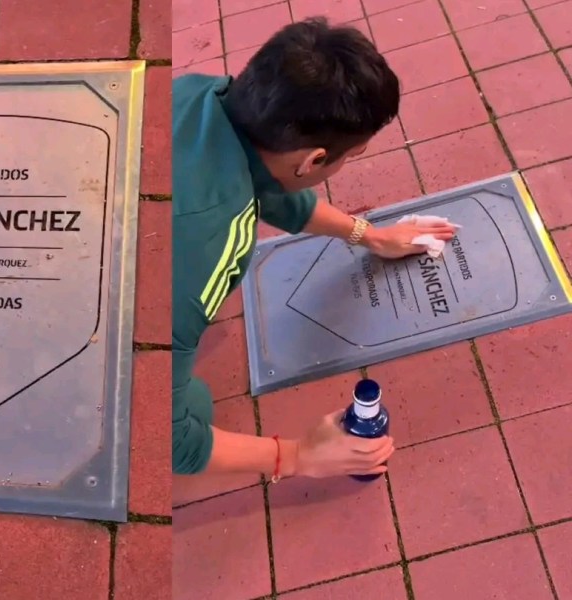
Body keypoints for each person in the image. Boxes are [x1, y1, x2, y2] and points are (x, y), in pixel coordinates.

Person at [172, 18, 457, 480]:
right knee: (191, 410)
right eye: (353, 155)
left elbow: (270, 186)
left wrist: (369, 234)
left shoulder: (198, 97)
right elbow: (171, 440)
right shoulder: (203, 252)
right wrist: (298, 455)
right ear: (314, 160)